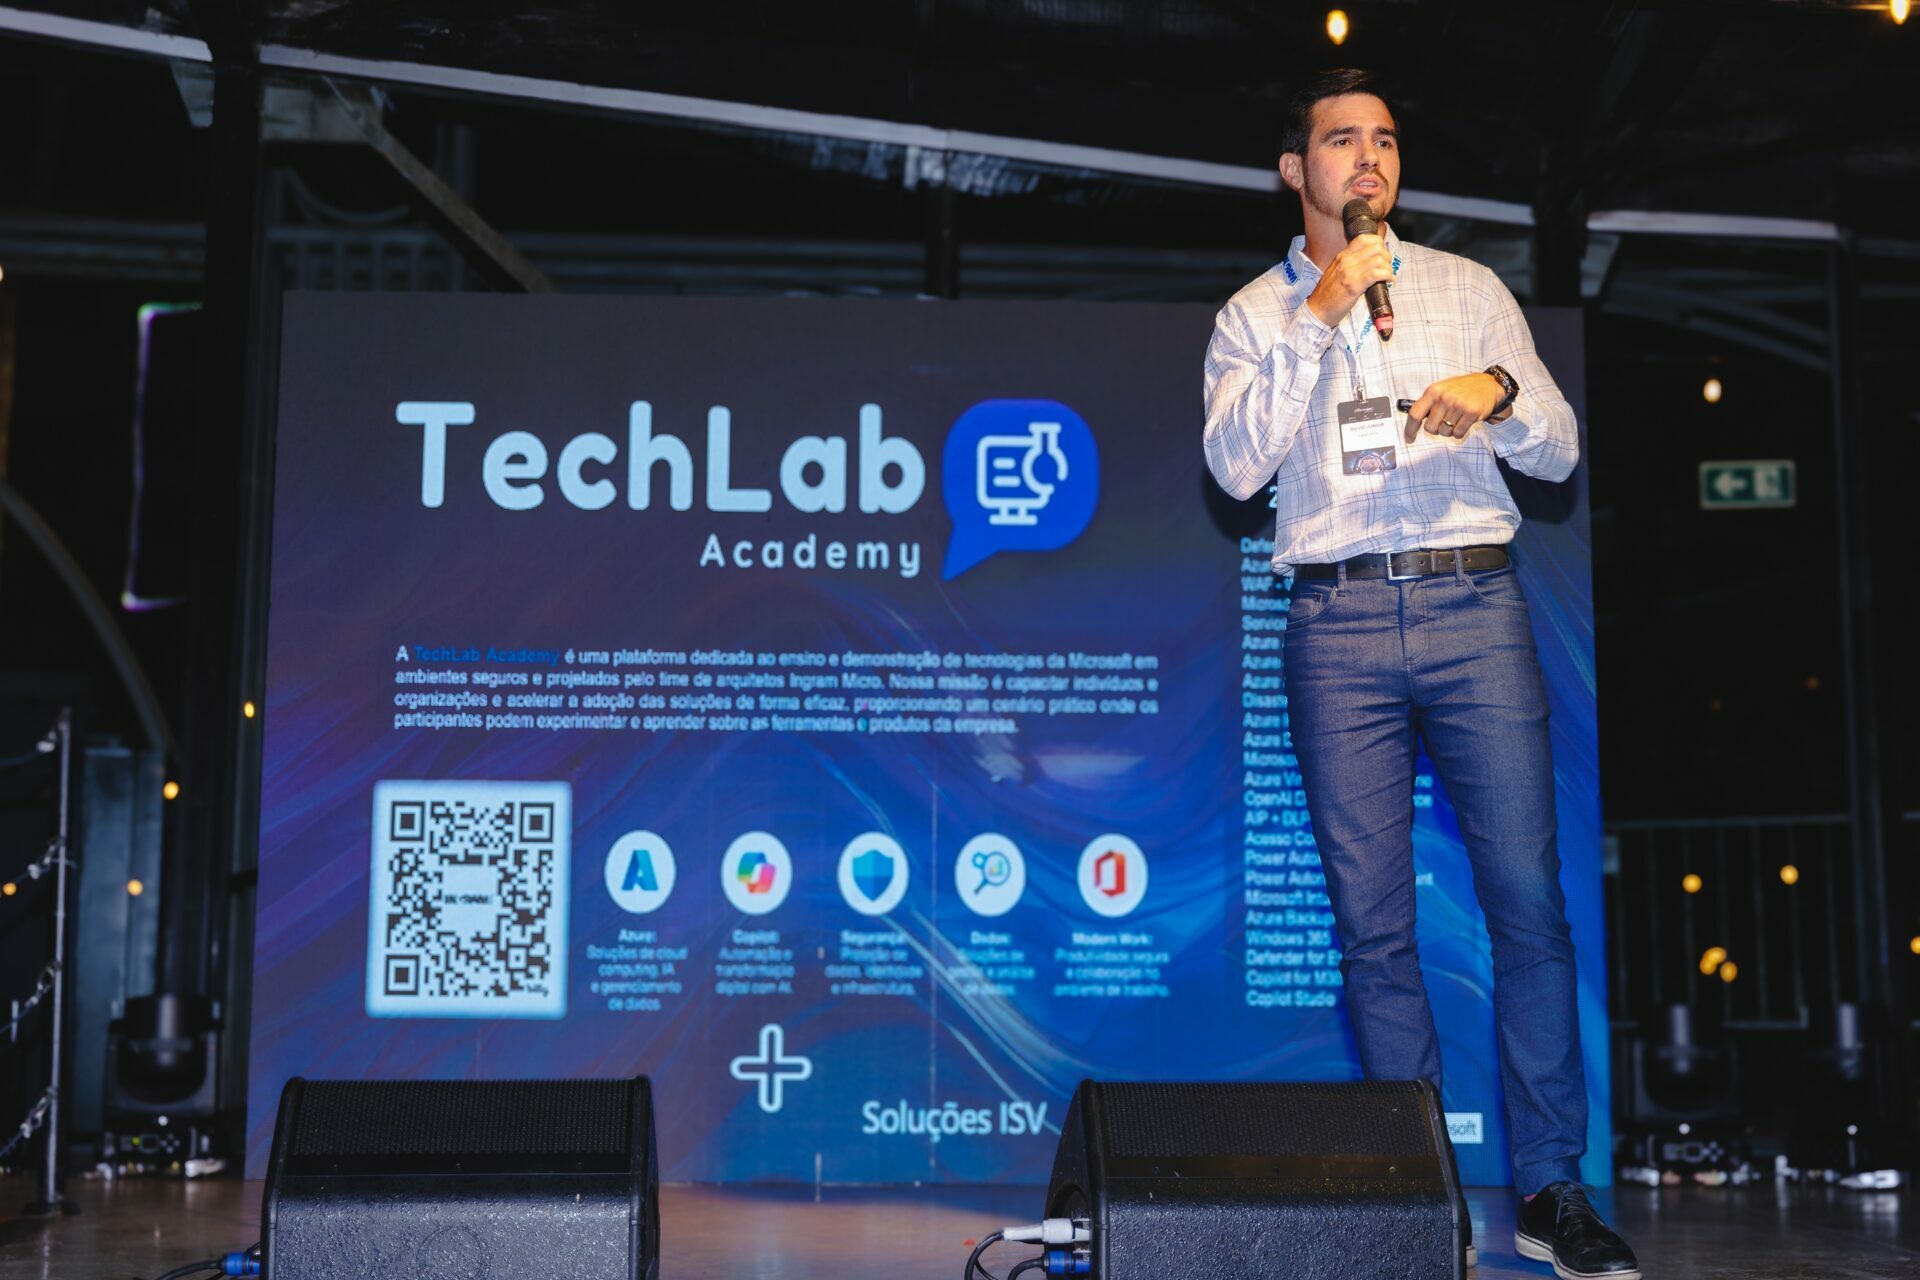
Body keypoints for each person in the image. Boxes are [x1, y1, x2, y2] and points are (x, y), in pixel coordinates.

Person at [1202, 68, 1639, 1280]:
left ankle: (1551, 1187)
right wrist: (1321, 311)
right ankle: (1418, 1196)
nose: (1370, 159)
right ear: (1296, 171)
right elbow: (1234, 469)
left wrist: (1498, 391)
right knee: (1373, 925)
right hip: (1335, 622)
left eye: (1387, 140)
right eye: (1344, 139)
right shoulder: (1252, 316)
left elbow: (1558, 449)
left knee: (1527, 901)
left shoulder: (1468, 288)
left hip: (1472, 605)